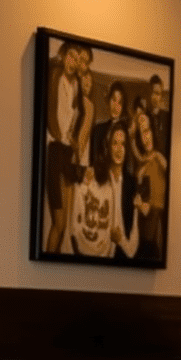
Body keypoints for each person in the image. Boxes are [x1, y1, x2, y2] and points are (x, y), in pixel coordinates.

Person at [69, 121, 139, 260]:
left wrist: (120, 241)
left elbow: (132, 249)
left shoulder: (132, 185)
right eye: (115, 143)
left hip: (119, 259)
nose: (119, 149)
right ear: (108, 147)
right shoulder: (96, 177)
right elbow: (77, 225)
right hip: (94, 255)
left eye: (123, 144)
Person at [44, 41, 84, 253]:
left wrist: (73, 137)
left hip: (67, 151)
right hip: (55, 149)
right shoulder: (55, 75)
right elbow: (50, 110)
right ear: (63, 56)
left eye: (77, 59)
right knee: (58, 223)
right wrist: (59, 134)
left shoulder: (76, 84)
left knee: (64, 223)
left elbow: (77, 113)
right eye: (71, 56)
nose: (73, 62)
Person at [132, 109, 168, 263]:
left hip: (156, 217)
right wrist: (138, 204)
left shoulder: (159, 157)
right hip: (141, 220)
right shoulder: (141, 162)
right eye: (142, 133)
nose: (145, 137)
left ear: (152, 130)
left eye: (147, 131)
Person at [90, 80, 126, 169]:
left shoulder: (126, 132)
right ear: (108, 101)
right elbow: (93, 161)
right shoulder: (98, 130)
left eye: (120, 102)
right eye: (113, 100)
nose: (116, 106)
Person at [147, 73, 170, 155]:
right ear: (149, 93)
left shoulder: (167, 116)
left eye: (157, 93)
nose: (155, 97)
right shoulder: (144, 117)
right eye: (153, 92)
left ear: (161, 95)